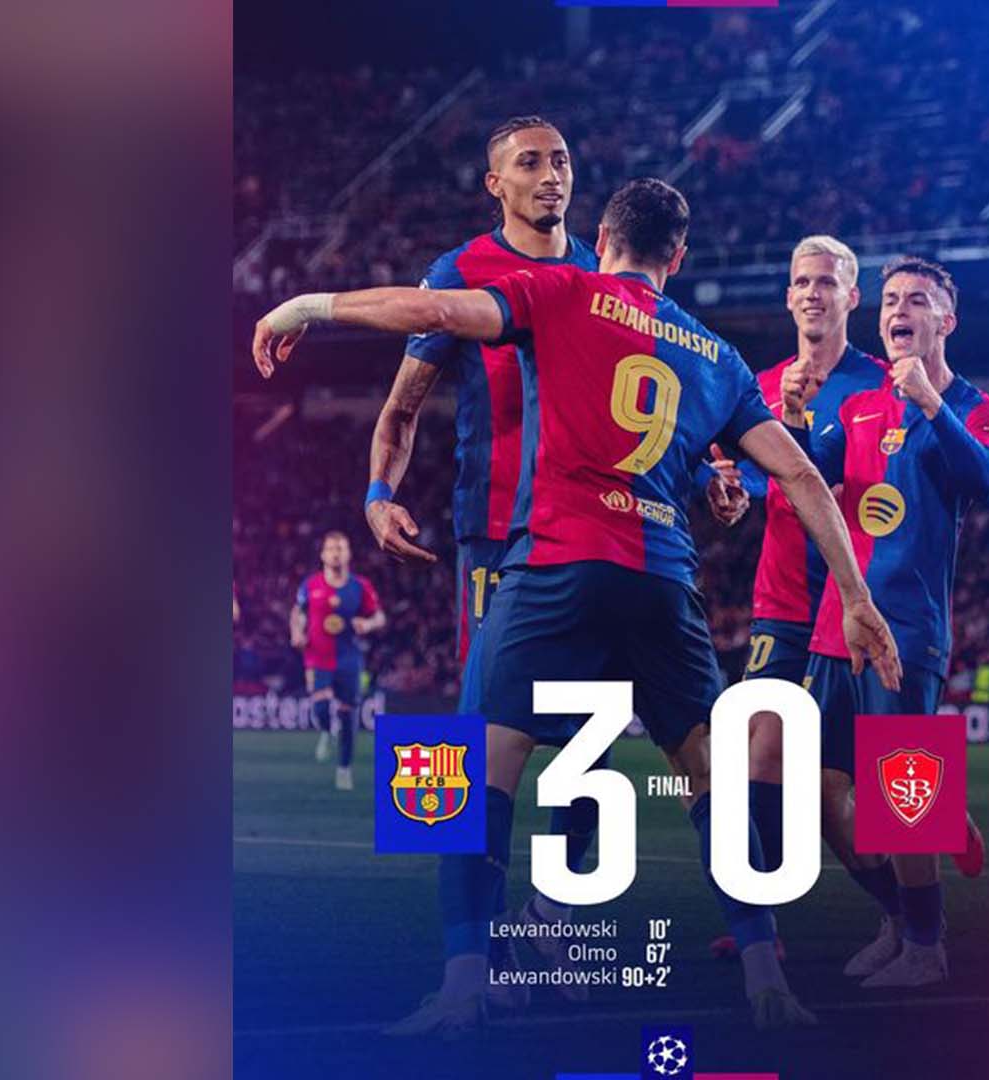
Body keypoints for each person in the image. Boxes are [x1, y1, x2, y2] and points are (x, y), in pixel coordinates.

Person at [255, 177, 901, 1033]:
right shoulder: (717, 355)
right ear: (678, 257)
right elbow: (802, 475)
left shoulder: (562, 289)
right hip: (661, 583)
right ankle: (765, 980)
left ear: (603, 236)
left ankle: (463, 985)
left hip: (552, 567)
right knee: (708, 780)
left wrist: (307, 304)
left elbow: (435, 312)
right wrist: (856, 598)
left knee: (475, 766)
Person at [791, 256, 989, 988]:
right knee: (818, 791)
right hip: (838, 622)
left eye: (916, 300)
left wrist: (931, 405)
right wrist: (792, 420)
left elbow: (983, 480)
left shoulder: (979, 408)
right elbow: (806, 478)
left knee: (900, 799)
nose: (897, 310)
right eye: (889, 300)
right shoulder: (857, 403)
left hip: (909, 629)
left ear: (947, 320)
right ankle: (898, 916)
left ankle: (924, 946)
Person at [707, 234, 889, 961]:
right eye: (802, 282)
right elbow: (751, 481)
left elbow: (866, 488)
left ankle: (915, 919)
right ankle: (762, 933)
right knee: (756, 763)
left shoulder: (881, 387)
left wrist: (804, 432)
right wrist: (730, 493)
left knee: (852, 790)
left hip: (863, 606)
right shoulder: (759, 385)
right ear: (787, 297)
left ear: (852, 297)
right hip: (783, 605)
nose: (813, 292)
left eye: (827, 282)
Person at [290, 531, 386, 789]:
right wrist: (297, 632)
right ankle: (325, 730)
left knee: (347, 716)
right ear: (323, 554)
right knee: (321, 708)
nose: (335, 553)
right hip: (317, 657)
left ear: (348, 554)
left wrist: (367, 624)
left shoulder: (360, 586)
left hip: (349, 659)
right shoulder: (310, 585)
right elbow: (298, 612)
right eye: (331, 548)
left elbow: (379, 617)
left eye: (340, 548)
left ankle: (344, 769)